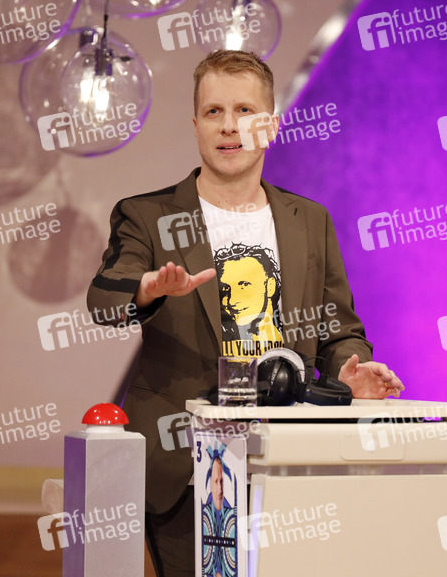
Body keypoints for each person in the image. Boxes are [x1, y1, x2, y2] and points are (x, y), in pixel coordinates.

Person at [87, 50, 404, 576]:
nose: (229, 126)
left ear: (270, 126)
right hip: (185, 461)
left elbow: (337, 328)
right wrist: (146, 289)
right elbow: (103, 302)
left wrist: (349, 368)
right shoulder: (148, 214)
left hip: (288, 453)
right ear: (195, 125)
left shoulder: (310, 221)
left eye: (244, 110)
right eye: (213, 111)